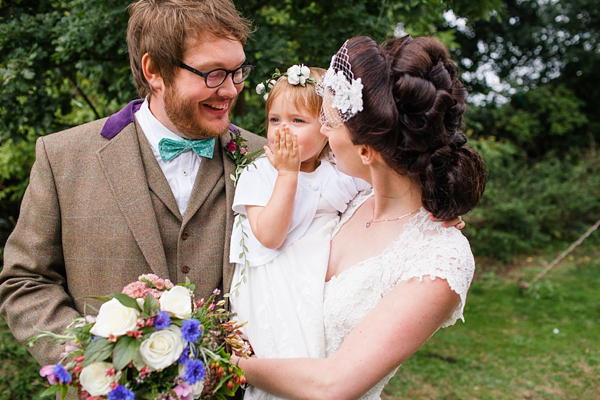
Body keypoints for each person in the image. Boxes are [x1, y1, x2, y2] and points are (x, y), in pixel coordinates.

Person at [0, 0, 265, 368]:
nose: (232, 89)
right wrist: (91, 361)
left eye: (238, 71)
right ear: (154, 70)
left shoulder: (265, 158)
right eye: (212, 73)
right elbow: (26, 282)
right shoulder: (62, 158)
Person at [232, 35, 487, 400]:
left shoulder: (439, 259)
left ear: (366, 150)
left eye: (330, 123)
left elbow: (332, 385)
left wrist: (226, 361)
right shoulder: (349, 198)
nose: (320, 131)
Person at [228, 65, 369, 400]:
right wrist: (287, 175)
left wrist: (432, 213)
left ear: (326, 128)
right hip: (271, 287)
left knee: (313, 360)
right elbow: (270, 236)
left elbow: (385, 194)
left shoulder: (339, 175)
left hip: (313, 285)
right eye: (275, 119)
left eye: (297, 121)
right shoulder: (258, 173)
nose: (282, 130)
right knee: (276, 365)